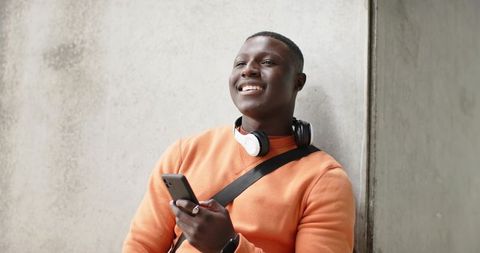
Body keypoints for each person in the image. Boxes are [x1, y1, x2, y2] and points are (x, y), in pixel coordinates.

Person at [122, 31, 355, 253]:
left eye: (267, 62)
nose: (249, 70)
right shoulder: (186, 151)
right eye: (240, 64)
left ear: (298, 82)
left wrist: (229, 246)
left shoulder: (324, 178)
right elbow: (141, 245)